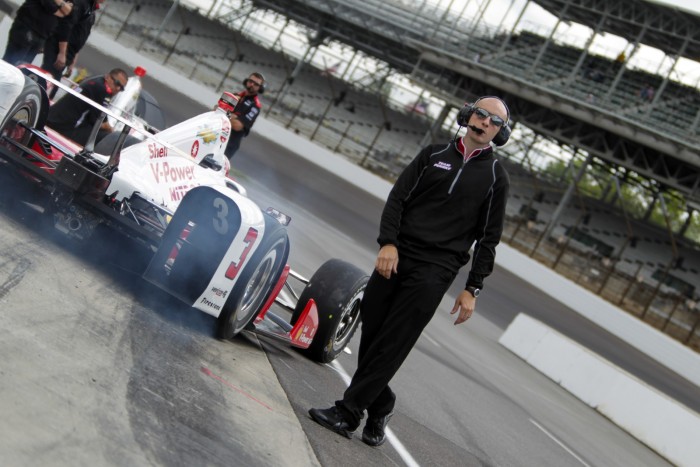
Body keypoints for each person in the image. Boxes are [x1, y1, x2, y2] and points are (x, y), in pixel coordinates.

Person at [308, 96, 511, 447]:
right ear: (468, 115)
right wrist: (388, 243)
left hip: (437, 269)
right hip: (397, 255)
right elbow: (397, 199)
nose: (484, 122)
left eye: (494, 120)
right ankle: (382, 403)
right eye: (481, 113)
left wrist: (472, 288)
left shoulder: (496, 177)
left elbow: (488, 239)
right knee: (372, 335)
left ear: (500, 132)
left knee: (393, 343)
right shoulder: (432, 155)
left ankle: (348, 413)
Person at [46, 67, 127, 145]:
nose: (118, 88)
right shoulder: (102, 89)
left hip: (52, 116)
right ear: (108, 77)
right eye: (117, 83)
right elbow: (100, 122)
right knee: (107, 136)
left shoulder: (96, 80)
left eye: (121, 88)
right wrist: (113, 132)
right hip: (64, 127)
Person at [41, 0, 104, 93]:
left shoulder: (91, 11)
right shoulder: (82, 4)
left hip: (68, 53)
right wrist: (62, 53)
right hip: (57, 49)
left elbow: (80, 35)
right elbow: (66, 26)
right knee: (48, 83)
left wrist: (73, 59)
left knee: (52, 86)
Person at [2, 0, 73, 66]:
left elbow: (69, 12)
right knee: (11, 64)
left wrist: (59, 2)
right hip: (28, 28)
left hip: (42, 35)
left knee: (23, 68)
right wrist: (63, 9)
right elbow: (49, 6)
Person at [223, 72, 265, 161]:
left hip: (229, 144)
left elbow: (237, 126)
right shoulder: (234, 95)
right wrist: (232, 116)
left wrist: (226, 113)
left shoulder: (255, 106)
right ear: (246, 81)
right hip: (215, 135)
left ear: (259, 88)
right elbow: (216, 110)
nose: (252, 84)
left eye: (256, 84)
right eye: (251, 81)